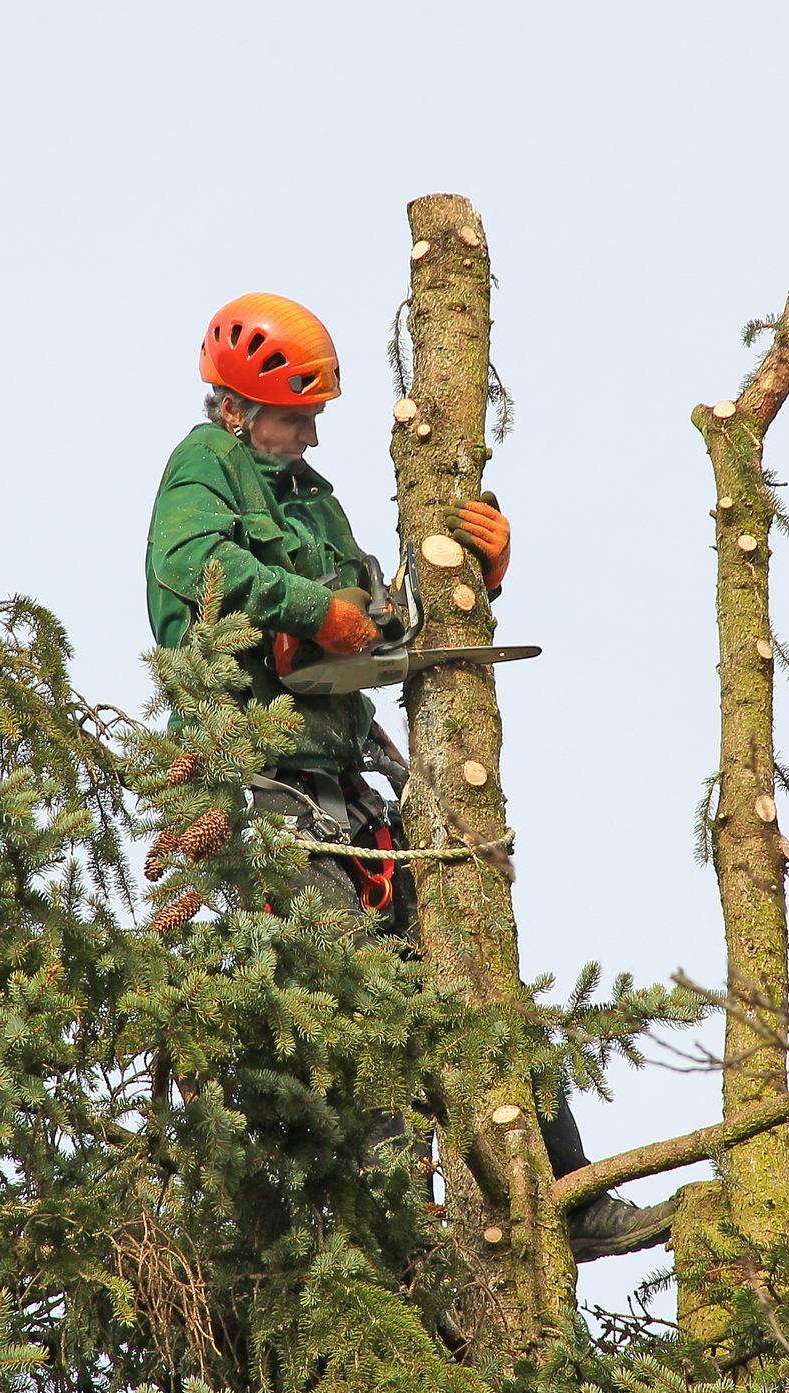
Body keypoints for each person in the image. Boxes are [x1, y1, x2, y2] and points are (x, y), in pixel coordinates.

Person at [143, 292, 673, 1261]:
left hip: (344, 780)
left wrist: (474, 572)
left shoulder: (311, 495)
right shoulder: (201, 471)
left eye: (310, 415)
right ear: (234, 406)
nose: (306, 431)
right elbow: (190, 568)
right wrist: (311, 605)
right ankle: (398, 1232)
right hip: (263, 792)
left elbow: (380, 618)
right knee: (352, 996)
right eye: (291, 414)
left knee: (473, 976)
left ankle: (567, 1192)